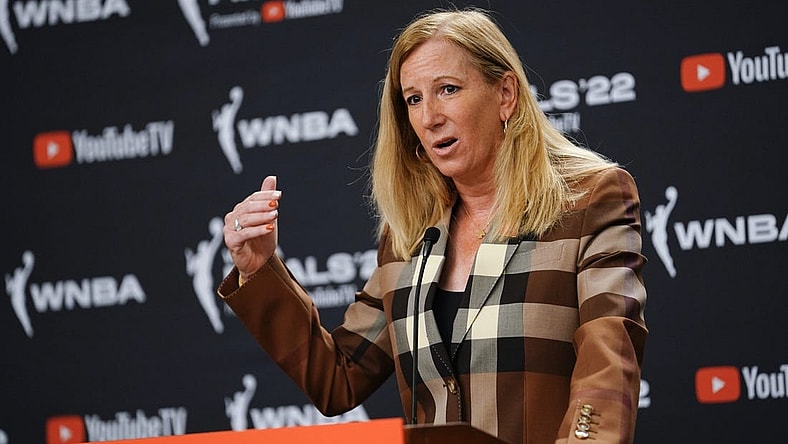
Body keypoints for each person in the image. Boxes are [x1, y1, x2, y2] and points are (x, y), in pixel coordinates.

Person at [218, 8, 647, 444]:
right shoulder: (409, 234)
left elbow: (607, 367)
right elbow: (339, 378)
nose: (430, 117)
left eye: (448, 89)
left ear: (505, 94)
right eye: (414, 99)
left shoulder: (589, 198)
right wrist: (259, 269)